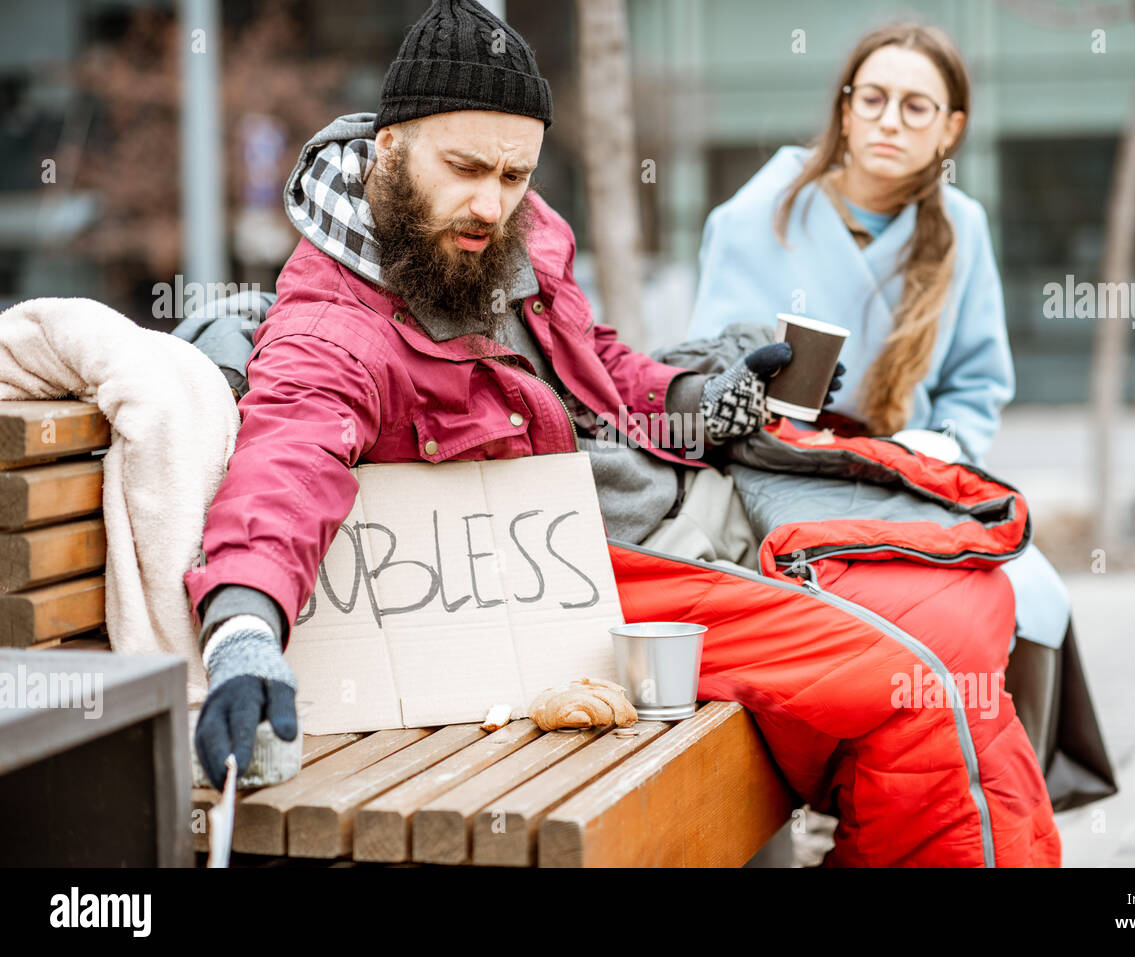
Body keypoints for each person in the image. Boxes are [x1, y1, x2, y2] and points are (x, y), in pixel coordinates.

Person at [186, 0, 830, 790]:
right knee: (896, 666)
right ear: (387, 150)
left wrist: (698, 398)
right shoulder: (334, 321)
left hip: (682, 505)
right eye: (464, 167)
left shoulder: (523, 227)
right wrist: (244, 631)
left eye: (514, 175)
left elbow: (595, 362)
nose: (492, 204)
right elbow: (286, 463)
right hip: (594, 578)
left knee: (936, 589)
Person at [687, 21, 1072, 660]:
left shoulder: (962, 228)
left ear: (950, 129)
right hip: (774, 481)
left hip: (909, 480)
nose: (889, 121)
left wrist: (938, 447)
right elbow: (703, 369)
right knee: (866, 621)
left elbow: (975, 383)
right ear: (845, 109)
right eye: (872, 99)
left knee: (1033, 601)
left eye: (916, 106)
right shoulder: (752, 217)